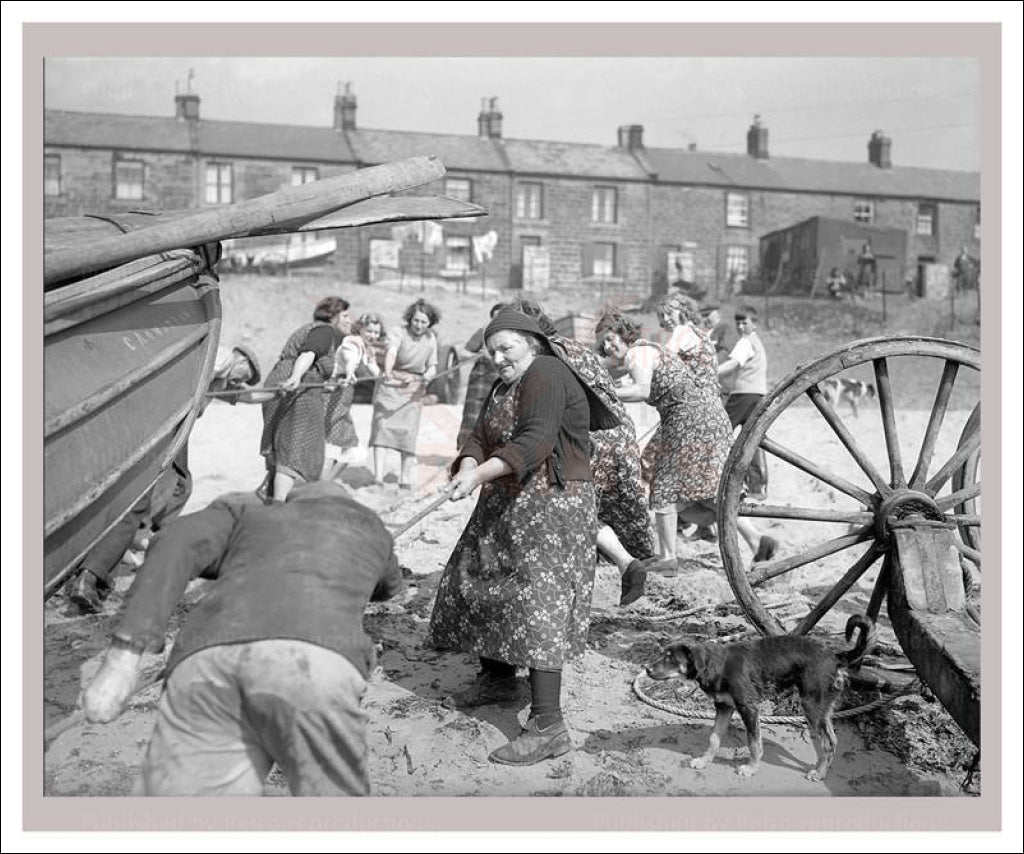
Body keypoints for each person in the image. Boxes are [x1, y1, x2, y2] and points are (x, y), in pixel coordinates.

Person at [80, 480, 403, 796]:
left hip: (209, 660)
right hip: (314, 667)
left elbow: (177, 538)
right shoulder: (373, 529)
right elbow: (389, 588)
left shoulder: (253, 515)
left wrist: (122, 659)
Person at [427, 308, 618, 766]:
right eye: (492, 351)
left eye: (506, 348)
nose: (497, 358)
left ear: (531, 343)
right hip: (506, 498)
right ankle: (497, 679)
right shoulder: (502, 384)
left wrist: (477, 478)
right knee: (477, 581)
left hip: (553, 502)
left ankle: (549, 724)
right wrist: (470, 465)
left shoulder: (548, 372)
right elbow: (478, 437)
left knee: (538, 605)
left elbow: (533, 442)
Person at [69, 344, 263, 613]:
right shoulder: (211, 363)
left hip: (175, 431)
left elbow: (247, 396)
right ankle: (97, 571)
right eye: (245, 373)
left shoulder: (221, 380)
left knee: (181, 486)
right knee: (137, 502)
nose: (242, 380)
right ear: (238, 359)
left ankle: (141, 539)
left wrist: (287, 391)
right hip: (163, 428)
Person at [597, 311, 776, 571]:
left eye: (612, 339)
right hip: (704, 417)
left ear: (625, 335)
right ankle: (758, 540)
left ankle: (668, 559)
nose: (609, 346)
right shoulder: (643, 353)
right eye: (605, 343)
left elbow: (641, 390)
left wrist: (603, 392)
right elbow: (615, 372)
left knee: (666, 487)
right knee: (707, 492)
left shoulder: (639, 353)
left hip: (690, 420)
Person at [506, 298, 656, 606]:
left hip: (590, 438)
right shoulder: (572, 347)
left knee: (567, 507)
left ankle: (609, 569)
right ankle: (626, 563)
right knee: (588, 510)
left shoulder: (544, 357)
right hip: (620, 433)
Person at [259, 296, 351, 503]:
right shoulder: (324, 330)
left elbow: (315, 363)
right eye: (344, 315)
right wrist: (295, 377)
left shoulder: (313, 329)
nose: (348, 320)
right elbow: (309, 353)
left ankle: (273, 495)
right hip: (297, 389)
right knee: (296, 444)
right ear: (333, 316)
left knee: (284, 443)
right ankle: (279, 503)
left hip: (289, 382)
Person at [369, 299, 440, 490]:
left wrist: (427, 376)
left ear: (430, 323)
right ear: (410, 318)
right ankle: (378, 477)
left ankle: (405, 478)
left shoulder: (431, 338)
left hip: (414, 387)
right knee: (382, 428)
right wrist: (389, 371)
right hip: (391, 383)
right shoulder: (398, 332)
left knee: (408, 432)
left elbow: (433, 365)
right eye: (416, 321)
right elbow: (392, 351)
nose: (419, 325)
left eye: (424, 322)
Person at [717, 305, 771, 507]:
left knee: (717, 431)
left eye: (744, 322)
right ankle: (757, 489)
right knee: (752, 440)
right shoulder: (757, 342)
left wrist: (710, 372)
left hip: (743, 395)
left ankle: (720, 479)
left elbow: (733, 365)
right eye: (737, 323)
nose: (740, 326)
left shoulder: (745, 342)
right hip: (758, 395)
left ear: (754, 323)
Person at [322, 312, 383, 481]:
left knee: (345, 445)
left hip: (344, 393)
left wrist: (385, 377)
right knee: (342, 443)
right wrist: (349, 374)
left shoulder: (368, 348)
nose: (373, 335)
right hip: (334, 388)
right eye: (369, 331)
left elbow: (373, 368)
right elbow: (350, 360)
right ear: (360, 330)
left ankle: (326, 480)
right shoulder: (352, 342)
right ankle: (324, 481)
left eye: (376, 332)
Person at [456, 302, 506, 450]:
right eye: (495, 317)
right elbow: (463, 353)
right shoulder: (483, 332)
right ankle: (465, 453)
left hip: (503, 381)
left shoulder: (515, 336)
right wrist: (478, 355)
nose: (499, 321)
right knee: (473, 417)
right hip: (481, 381)